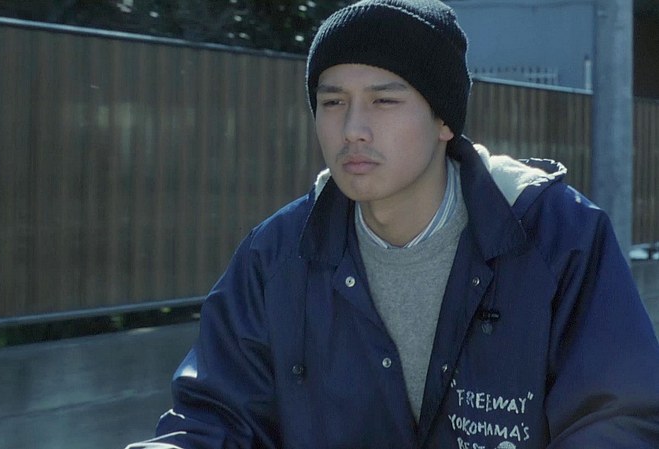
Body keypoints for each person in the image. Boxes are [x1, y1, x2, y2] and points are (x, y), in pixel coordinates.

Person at [127, 0, 659, 447]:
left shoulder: (554, 236)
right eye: (333, 102)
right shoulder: (278, 257)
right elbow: (215, 419)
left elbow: (618, 418)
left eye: (383, 100)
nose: (353, 129)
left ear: (444, 119)